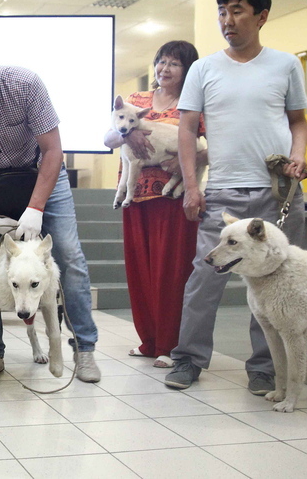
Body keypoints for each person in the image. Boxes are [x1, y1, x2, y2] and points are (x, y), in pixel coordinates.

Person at [165, 0, 307, 392]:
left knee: (274, 282)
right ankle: (188, 359)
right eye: (222, 11)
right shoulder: (204, 68)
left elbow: (298, 122)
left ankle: (263, 369)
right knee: (204, 279)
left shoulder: (285, 65)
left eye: (238, 10)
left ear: (262, 16)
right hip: (224, 192)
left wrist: (298, 155)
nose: (228, 20)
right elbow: (187, 131)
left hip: (277, 192)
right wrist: (192, 187)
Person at [0, 35, 101, 383]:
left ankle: (84, 350)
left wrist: (36, 208)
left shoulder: (24, 85)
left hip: (43, 172)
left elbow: (54, 150)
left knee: (69, 257)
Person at [104, 41, 205, 369]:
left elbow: (211, 147)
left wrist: (188, 161)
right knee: (141, 271)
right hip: (137, 198)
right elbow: (107, 138)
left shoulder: (193, 105)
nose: (164, 68)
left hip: (173, 201)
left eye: (174, 63)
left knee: (171, 273)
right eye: (160, 61)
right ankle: (148, 341)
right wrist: (125, 136)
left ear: (187, 69)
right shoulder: (136, 102)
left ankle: (170, 344)